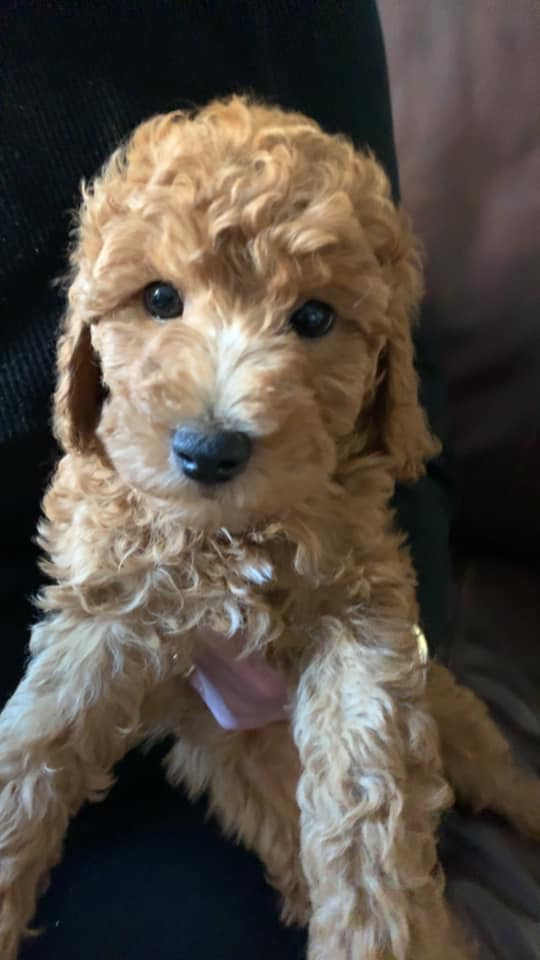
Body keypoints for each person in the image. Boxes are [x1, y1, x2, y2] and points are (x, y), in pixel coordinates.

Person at [1, 2, 450, 957]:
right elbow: (77, 667)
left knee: (386, 760)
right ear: (82, 341)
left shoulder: (296, 25)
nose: (222, 407)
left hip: (291, 712)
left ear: (385, 365)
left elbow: (368, 636)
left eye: (311, 320)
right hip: (159, 771)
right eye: (161, 299)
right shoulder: (108, 485)